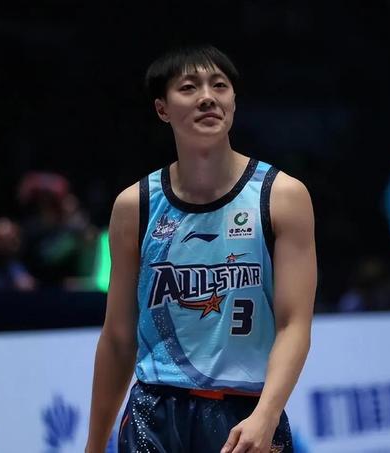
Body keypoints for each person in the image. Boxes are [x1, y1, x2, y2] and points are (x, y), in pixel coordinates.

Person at [86, 45, 316, 453]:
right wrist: (93, 445)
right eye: (189, 87)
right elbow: (118, 338)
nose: (207, 97)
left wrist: (266, 414)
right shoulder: (135, 206)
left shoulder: (282, 196)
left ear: (233, 102)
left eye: (219, 85)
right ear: (162, 109)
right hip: (153, 415)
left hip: (246, 414)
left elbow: (294, 325)